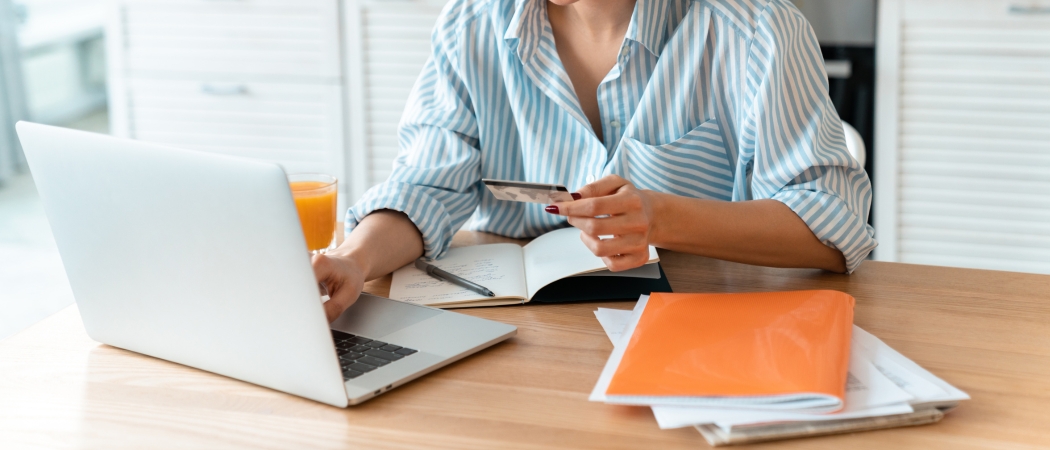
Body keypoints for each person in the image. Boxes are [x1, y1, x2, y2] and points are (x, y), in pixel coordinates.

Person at [312, 0, 877, 321]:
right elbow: (425, 186)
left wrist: (660, 217)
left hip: (700, 327)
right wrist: (356, 261)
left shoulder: (756, 30)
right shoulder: (470, 25)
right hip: (517, 333)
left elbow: (832, 227)